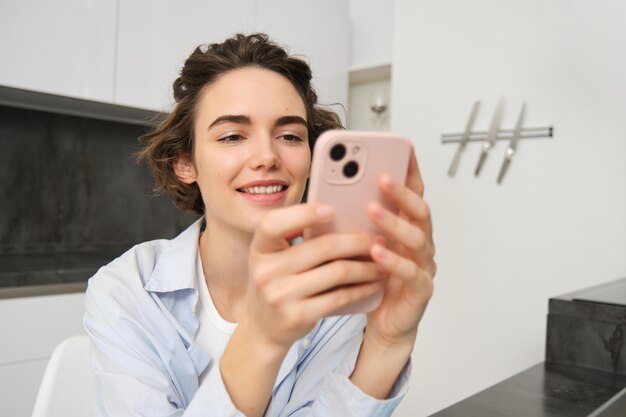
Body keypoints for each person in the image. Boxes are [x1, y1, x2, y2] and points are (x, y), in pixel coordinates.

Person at [84, 33, 436, 417]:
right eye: (233, 136)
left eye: (289, 136)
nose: (267, 156)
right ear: (185, 163)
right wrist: (262, 337)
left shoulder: (337, 289)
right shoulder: (125, 291)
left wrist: (387, 344)